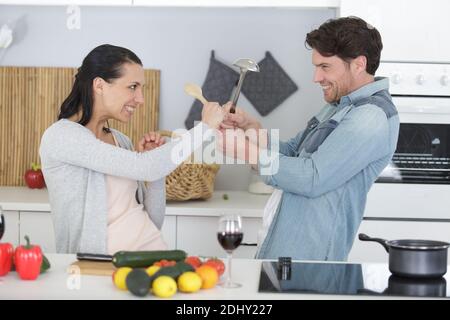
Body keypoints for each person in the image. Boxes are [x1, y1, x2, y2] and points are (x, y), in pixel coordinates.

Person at [218, 17, 400, 261]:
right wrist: (251, 130)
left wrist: (246, 152)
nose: (316, 77)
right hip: (284, 252)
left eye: (325, 67)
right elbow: (294, 151)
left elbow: (312, 177)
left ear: (359, 64)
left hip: (310, 262)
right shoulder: (339, 106)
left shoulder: (370, 116)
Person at [39, 44, 224, 254]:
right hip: (99, 269)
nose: (141, 99)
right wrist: (204, 128)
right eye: (133, 87)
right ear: (99, 85)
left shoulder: (121, 141)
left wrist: (155, 170)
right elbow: (145, 167)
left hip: (152, 256)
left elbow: (153, 221)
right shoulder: (62, 136)